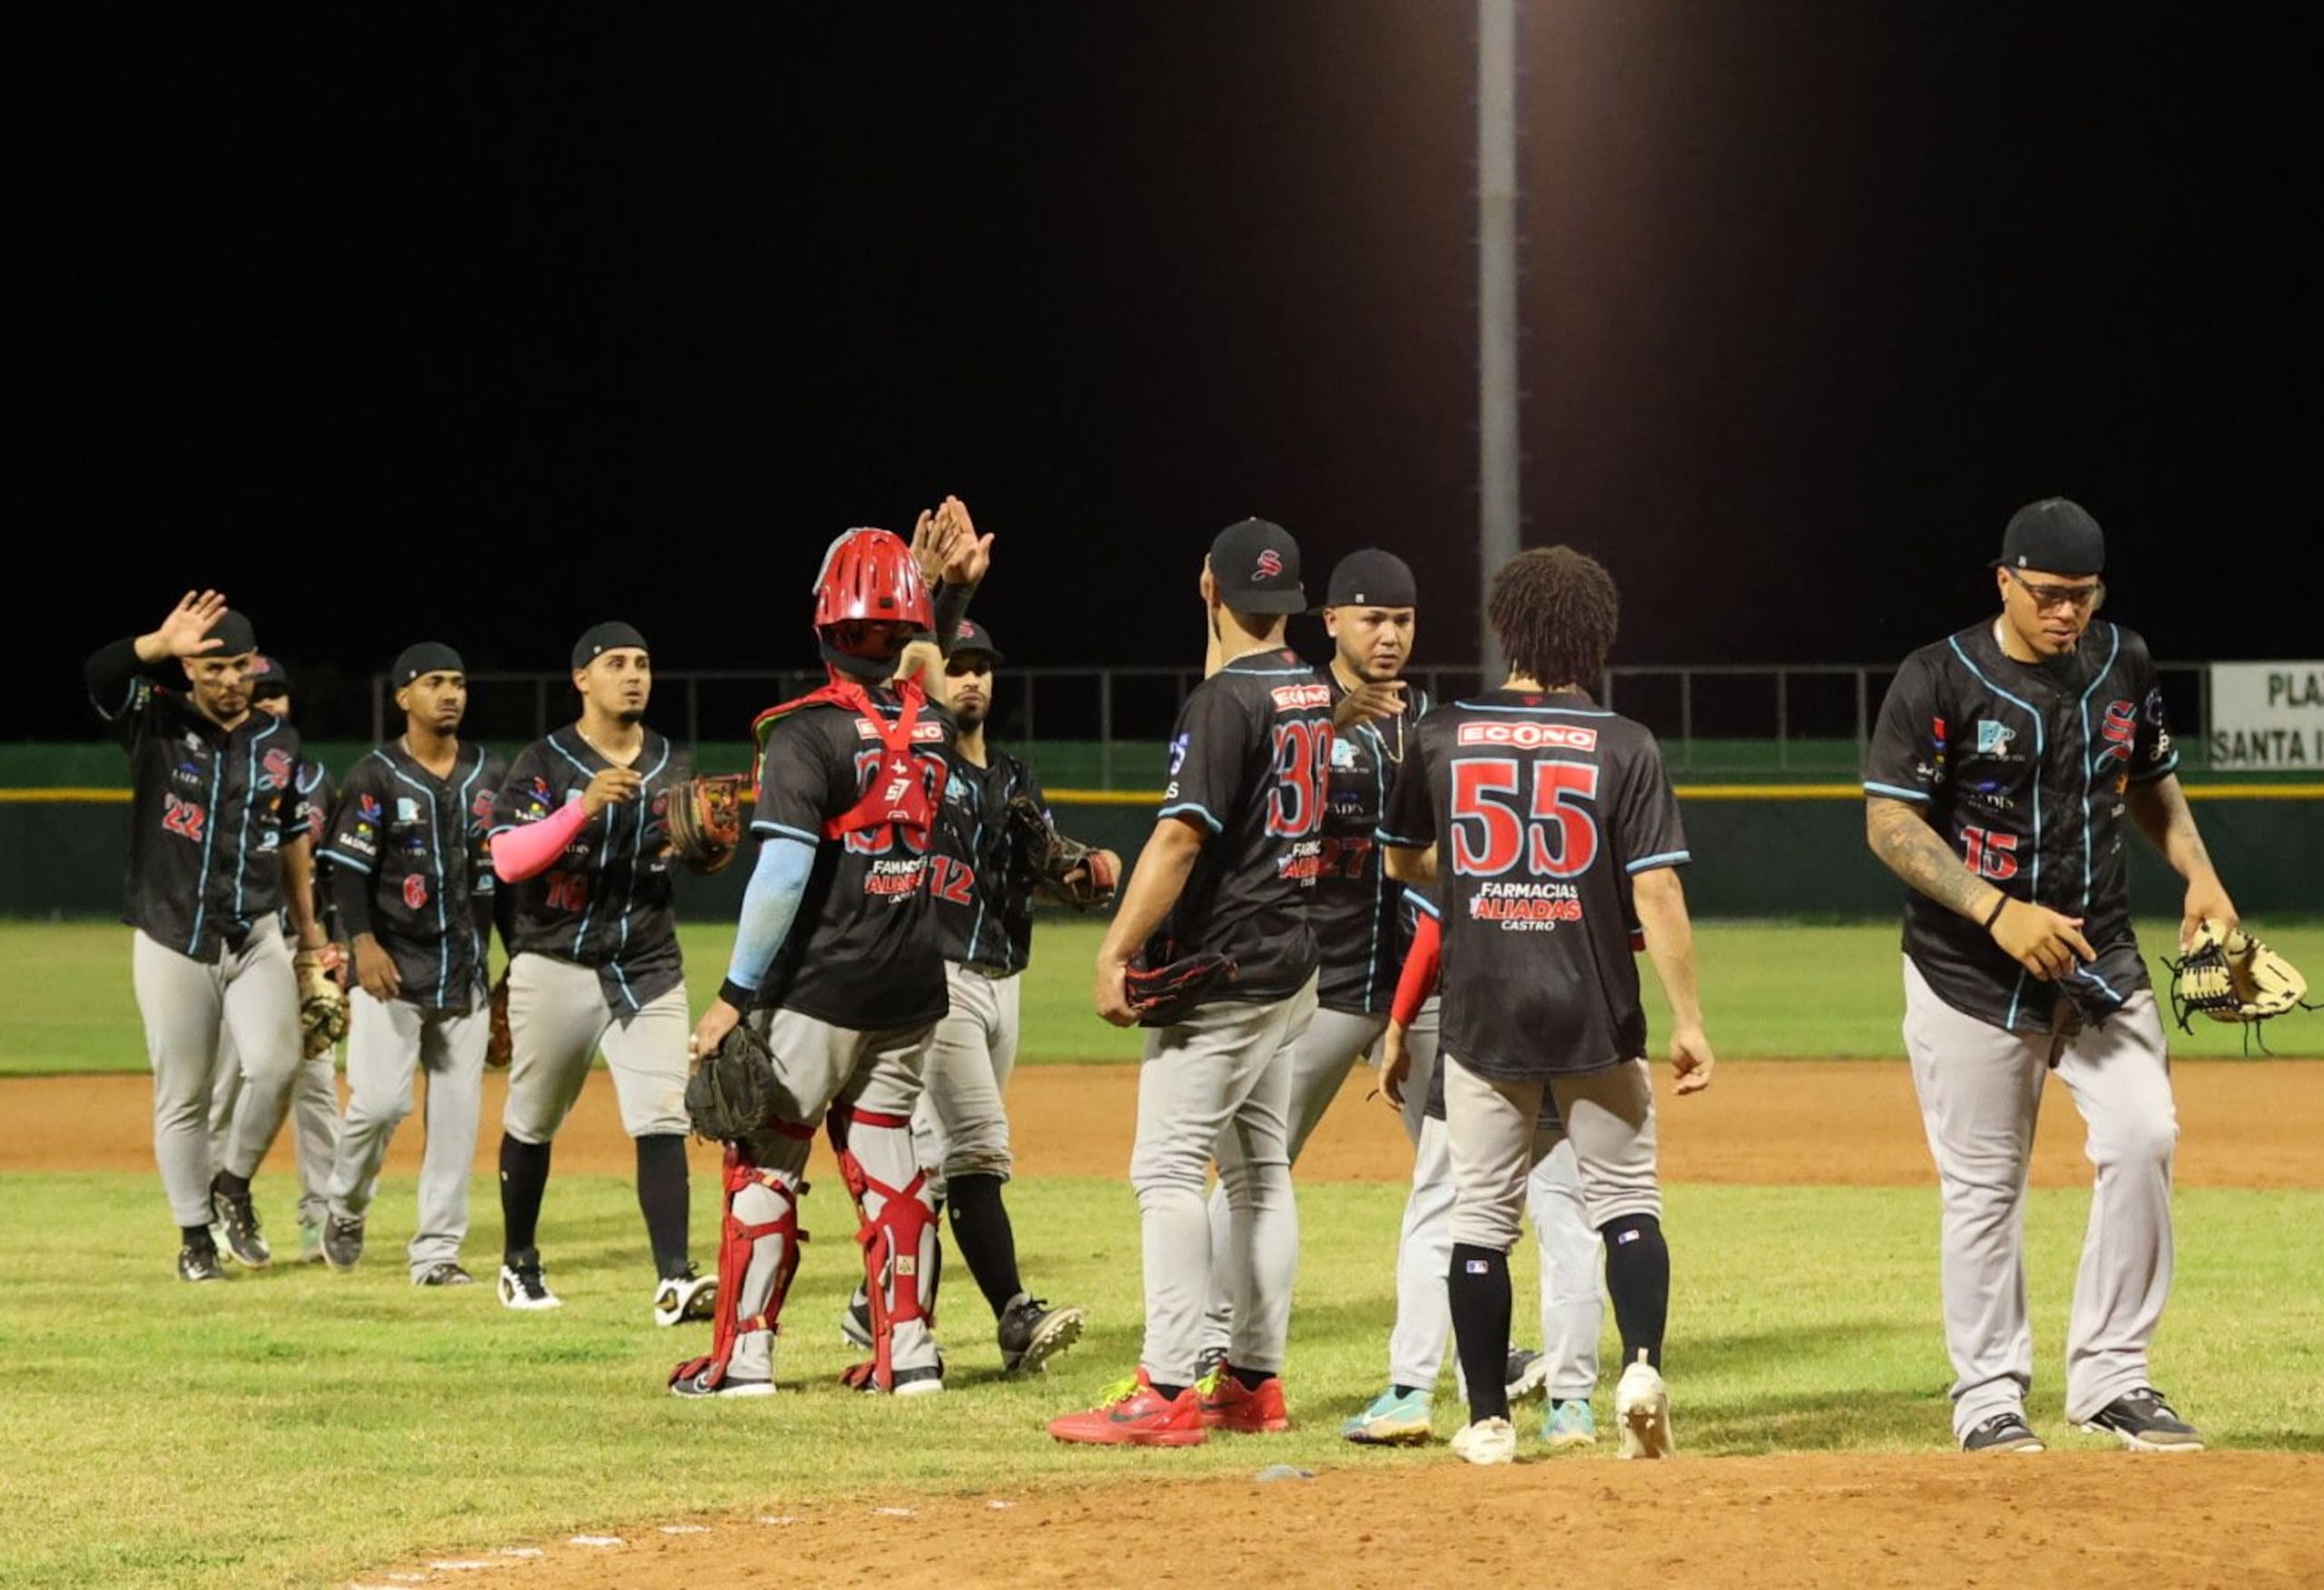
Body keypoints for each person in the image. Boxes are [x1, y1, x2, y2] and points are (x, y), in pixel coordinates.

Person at [1862, 496, 2231, 1455]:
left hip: (2098, 955)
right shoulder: (1936, 677)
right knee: (1985, 1185)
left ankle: (2113, 1376)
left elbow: (2148, 779)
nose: (2065, 613)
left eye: (2082, 595)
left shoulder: (2125, 662)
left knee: (2145, 1133)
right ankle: (1987, 1392)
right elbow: (1890, 824)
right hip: (1967, 969)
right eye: (2046, 595)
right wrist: (1994, 909)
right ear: (2004, 581)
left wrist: (2198, 873)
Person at [1195, 547, 1588, 1410]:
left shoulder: (1437, 726)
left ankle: (1490, 1344)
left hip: (1428, 987)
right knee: (1262, 1163)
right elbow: (1245, 785)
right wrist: (1333, 719)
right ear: (1328, 621)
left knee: (1472, 1174)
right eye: (1371, 619)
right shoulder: (1295, 705)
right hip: (1323, 985)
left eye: (1403, 620)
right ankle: (1208, 1343)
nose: (1389, 636)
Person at [1379, 545, 1714, 1466]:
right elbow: (1657, 896)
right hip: (1595, 1011)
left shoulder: (1441, 732)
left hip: (1484, 1015)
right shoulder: (1624, 743)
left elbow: (1401, 860)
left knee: (1478, 1224)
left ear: (1505, 630)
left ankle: (1488, 1418)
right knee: (1625, 1207)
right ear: (1597, 638)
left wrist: (1489, 872)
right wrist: (1687, 1019)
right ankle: (1640, 1368)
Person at [669, 503, 990, 1399]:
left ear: (821, 619)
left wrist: (734, 993)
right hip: (911, 987)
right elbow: (915, 661)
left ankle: (743, 1362)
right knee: (892, 1165)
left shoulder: (802, 732)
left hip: (817, 991)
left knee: (763, 1162)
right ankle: (913, 1355)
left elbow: (778, 877)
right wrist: (941, 593)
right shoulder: (928, 722)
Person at [1049, 516, 1332, 1448]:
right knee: (1257, 1175)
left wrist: (1113, 952)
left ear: (1207, 589)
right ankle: (1251, 1380)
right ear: (1291, 599)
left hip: (1226, 965)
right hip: (1289, 960)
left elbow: (1178, 838)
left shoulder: (1224, 702)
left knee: (1166, 1171)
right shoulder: (1310, 687)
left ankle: (1166, 1387)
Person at [838, 615, 1110, 1375]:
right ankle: (1014, 1315)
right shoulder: (913, 765)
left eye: (983, 666)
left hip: (1005, 977)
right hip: (937, 972)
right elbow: (902, 671)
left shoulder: (1015, 774)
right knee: (980, 1147)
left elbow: (1043, 867)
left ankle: (873, 1307)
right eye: (956, 666)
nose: (971, 680)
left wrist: (1083, 870)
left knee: (933, 1161)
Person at [85, 592, 332, 1281]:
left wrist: (308, 938)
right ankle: (194, 1237)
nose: (229, 680)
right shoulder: (156, 720)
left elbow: (290, 843)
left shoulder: (279, 741)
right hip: (171, 932)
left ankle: (233, 1185)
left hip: (254, 930)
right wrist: (156, 645)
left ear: (257, 664)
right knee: (184, 1094)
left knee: (278, 1065)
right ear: (191, 670)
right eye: (213, 666)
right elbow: (97, 676)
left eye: (240, 666)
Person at [487, 621, 714, 1324]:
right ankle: (518, 1262)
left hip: (646, 963)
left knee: (662, 1116)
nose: (634, 674)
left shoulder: (674, 761)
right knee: (534, 1118)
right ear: (582, 678)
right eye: (615, 663)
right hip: (555, 962)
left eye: (643, 662)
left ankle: (674, 1278)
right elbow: (508, 860)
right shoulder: (545, 762)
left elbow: (694, 851)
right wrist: (578, 808)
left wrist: (709, 845)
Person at [1351, 885, 1607, 1449]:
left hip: (1480, 1035)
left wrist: (1398, 1025)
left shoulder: (1470, 809)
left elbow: (1434, 930)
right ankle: (1572, 1407)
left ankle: (1411, 1391)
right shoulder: (1585, 805)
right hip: (1573, 1030)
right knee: (1568, 1218)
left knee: (1440, 1207)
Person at [314, 643, 507, 1287]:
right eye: (433, 683)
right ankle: (344, 1203)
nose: (449, 693)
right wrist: (360, 942)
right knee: (379, 1105)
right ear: (403, 697)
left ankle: (436, 1255)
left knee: (456, 1124)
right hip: (390, 970)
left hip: (466, 974)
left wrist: (516, 966)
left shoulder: (489, 773)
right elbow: (343, 867)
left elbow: (504, 875)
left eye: (457, 682)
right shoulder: (375, 775)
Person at [203, 653, 342, 1264]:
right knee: (229, 1082)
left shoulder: (314, 781)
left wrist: (326, 948)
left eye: (277, 697)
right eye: (262, 696)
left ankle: (320, 1217)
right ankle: (211, 1214)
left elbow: (331, 871)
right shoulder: (207, 766)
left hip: (299, 947)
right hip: (235, 945)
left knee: (314, 1084)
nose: (269, 706)